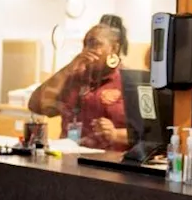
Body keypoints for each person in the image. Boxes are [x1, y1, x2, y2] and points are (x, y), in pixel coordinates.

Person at [27, 15, 130, 151]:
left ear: (114, 48)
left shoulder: (129, 82)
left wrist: (116, 134)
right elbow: (36, 106)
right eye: (85, 44)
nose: (87, 49)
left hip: (109, 165)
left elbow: (150, 136)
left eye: (94, 43)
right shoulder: (74, 78)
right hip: (69, 160)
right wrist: (68, 68)